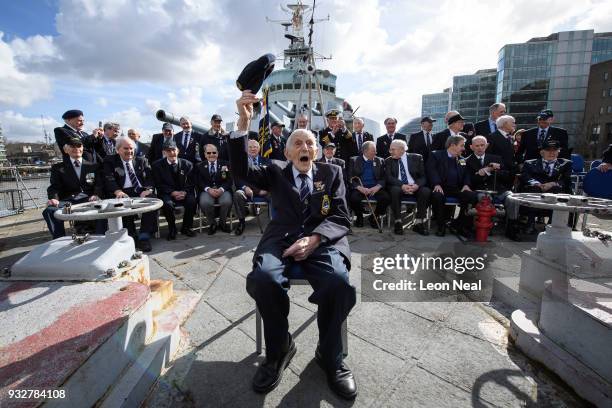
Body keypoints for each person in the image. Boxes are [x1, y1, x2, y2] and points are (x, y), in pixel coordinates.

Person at [229, 90, 357, 400]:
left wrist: (314, 239)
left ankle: (330, 356)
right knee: (264, 279)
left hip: (322, 241)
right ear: (287, 153)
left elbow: (341, 216)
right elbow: (240, 172)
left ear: (316, 151)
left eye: (310, 143)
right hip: (281, 239)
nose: (305, 147)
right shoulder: (275, 172)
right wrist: (243, 126)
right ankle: (279, 351)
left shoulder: (332, 172)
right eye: (297, 143)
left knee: (339, 284)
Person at [103, 135, 158, 252]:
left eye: (131, 148)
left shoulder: (142, 160)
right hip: (122, 190)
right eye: (126, 148)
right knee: (122, 204)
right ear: (118, 150)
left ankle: (144, 236)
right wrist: (118, 191)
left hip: (140, 190)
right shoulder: (110, 161)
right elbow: (109, 178)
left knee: (153, 201)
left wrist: (147, 189)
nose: (129, 151)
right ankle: (131, 235)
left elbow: (150, 178)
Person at [43, 137, 104, 239]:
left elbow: (99, 184)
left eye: (79, 146)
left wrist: (96, 194)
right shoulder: (58, 168)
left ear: (82, 148)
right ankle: (59, 239)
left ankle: (100, 237)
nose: (76, 148)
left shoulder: (94, 166)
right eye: (72, 146)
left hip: (89, 199)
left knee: (103, 208)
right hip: (69, 201)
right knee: (49, 211)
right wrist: (54, 198)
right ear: (66, 150)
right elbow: (54, 187)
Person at [466, 136, 519, 240]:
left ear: (486, 145)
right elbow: (470, 181)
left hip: (499, 189)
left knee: (513, 199)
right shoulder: (467, 161)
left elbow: (507, 176)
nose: (480, 148)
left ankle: (511, 229)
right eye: (477, 146)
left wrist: (495, 170)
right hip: (480, 190)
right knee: (485, 199)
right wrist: (482, 173)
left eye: (482, 145)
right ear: (471, 147)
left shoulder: (496, 158)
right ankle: (484, 228)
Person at [426, 134, 478, 237]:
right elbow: (431, 170)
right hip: (440, 187)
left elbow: (466, 173)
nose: (464, 148)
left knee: (471, 196)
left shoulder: (462, 159)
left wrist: (466, 184)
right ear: (453, 145)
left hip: (455, 188)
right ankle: (441, 226)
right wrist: (436, 183)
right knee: (437, 197)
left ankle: (459, 224)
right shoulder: (436, 155)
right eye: (462, 145)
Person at [520, 139, 572, 233]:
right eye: (548, 150)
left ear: (558, 151)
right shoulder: (529, 163)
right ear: (542, 152)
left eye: (555, 150)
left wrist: (552, 183)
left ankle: (551, 225)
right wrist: (537, 183)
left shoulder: (566, 163)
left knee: (557, 190)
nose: (552, 153)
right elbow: (525, 176)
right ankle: (530, 224)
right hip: (536, 190)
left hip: (555, 191)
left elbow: (566, 180)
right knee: (534, 190)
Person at [152, 139, 197, 240]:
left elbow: (191, 182)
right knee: (167, 204)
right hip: (167, 193)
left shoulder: (187, 164)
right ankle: (172, 229)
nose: (171, 153)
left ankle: (187, 227)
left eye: (173, 150)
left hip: (184, 191)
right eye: (168, 151)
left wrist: (184, 192)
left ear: (178, 150)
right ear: (164, 152)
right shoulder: (157, 166)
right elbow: (158, 184)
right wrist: (172, 192)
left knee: (192, 201)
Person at [385, 139, 430, 235]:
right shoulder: (388, 160)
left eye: (393, 150)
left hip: (414, 185)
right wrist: (402, 185)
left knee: (425, 191)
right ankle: (398, 222)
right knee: (394, 190)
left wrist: (416, 185)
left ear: (402, 150)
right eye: (390, 150)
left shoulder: (417, 158)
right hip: (399, 186)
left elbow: (423, 177)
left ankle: (418, 222)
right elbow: (389, 177)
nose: (391, 152)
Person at [348, 141, 389, 228]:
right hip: (361, 187)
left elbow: (384, 177)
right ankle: (359, 217)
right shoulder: (354, 160)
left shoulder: (380, 160)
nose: (376, 153)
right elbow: (350, 177)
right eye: (373, 151)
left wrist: (377, 187)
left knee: (386, 198)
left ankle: (374, 217)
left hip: (375, 187)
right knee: (353, 198)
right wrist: (359, 187)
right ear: (365, 151)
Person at [233, 139, 270, 236]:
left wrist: (266, 189)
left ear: (259, 148)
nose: (253, 149)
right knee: (238, 194)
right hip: (247, 189)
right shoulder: (240, 162)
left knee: (275, 194)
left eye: (255, 147)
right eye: (250, 147)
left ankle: (275, 223)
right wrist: (245, 187)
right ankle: (241, 222)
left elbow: (271, 178)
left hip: (264, 190)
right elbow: (238, 178)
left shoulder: (267, 161)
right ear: (246, 149)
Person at [196, 144, 233, 235]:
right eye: (208, 153)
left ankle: (222, 223)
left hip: (223, 190)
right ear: (205, 154)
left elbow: (229, 180)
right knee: (205, 202)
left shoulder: (226, 164)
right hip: (207, 191)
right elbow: (199, 181)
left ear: (217, 153)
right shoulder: (199, 166)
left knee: (227, 201)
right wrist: (208, 189)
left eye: (214, 152)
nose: (211, 154)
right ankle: (212, 223)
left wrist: (221, 189)